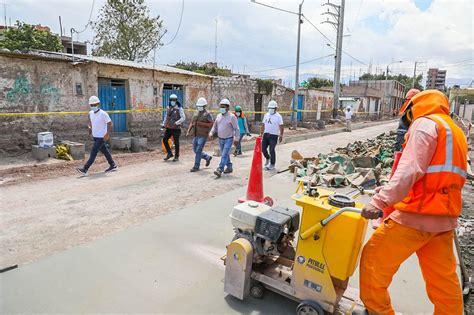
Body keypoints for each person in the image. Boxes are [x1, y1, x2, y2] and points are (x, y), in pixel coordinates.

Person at [358, 90, 467, 315]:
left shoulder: (425, 124)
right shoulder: (455, 131)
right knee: (444, 283)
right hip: (443, 220)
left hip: (416, 216)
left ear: (412, 108)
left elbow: (410, 170)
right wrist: (388, 189)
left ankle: (379, 311)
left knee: (373, 259)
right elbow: (435, 176)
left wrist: (379, 201)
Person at [76, 96, 117, 175]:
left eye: (94, 104)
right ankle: (113, 165)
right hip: (95, 136)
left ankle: (85, 169)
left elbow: (110, 124)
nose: (93, 106)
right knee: (105, 151)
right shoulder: (90, 113)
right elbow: (91, 122)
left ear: (98, 104)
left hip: (101, 137)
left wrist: (107, 134)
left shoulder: (103, 114)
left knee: (93, 152)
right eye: (91, 105)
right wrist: (90, 127)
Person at [209, 98, 240, 178]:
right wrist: (211, 132)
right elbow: (214, 126)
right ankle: (229, 166)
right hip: (220, 138)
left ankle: (220, 169)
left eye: (224, 107)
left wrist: (236, 139)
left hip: (229, 139)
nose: (222, 108)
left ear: (227, 107)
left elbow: (236, 129)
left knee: (224, 154)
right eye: (221, 106)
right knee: (225, 154)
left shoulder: (232, 117)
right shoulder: (218, 116)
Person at [187, 97, 213, 172]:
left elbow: (211, 124)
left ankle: (196, 166)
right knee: (195, 150)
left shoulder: (207, 114)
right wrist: (189, 130)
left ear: (204, 106)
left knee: (198, 151)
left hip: (203, 135)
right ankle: (207, 157)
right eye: (198, 106)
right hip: (196, 134)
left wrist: (200, 123)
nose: (199, 107)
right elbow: (192, 122)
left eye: (201, 106)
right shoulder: (196, 112)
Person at [260, 100, 284, 171]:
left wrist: (281, 135)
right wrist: (261, 133)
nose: (270, 110)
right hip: (266, 134)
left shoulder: (278, 116)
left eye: (272, 108)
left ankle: (272, 164)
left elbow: (281, 126)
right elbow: (263, 124)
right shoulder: (266, 115)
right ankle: (268, 158)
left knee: (271, 149)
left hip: (274, 136)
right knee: (263, 149)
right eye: (269, 108)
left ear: (276, 108)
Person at [162, 94, 185, 162]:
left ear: (176, 100)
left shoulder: (179, 108)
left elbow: (183, 117)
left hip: (176, 128)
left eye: (174, 100)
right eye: (171, 100)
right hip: (169, 127)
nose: (172, 101)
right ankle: (169, 153)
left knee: (176, 142)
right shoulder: (168, 107)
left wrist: (176, 123)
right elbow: (166, 117)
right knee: (165, 139)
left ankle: (176, 156)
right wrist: (164, 124)